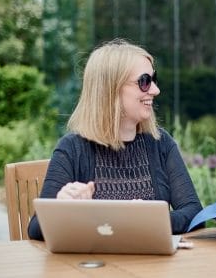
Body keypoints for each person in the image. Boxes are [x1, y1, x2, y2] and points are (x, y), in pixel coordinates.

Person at [28, 39, 202, 240]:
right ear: (111, 89)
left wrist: (152, 219)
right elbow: (35, 228)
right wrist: (61, 208)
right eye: (144, 81)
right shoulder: (72, 149)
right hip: (93, 268)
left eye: (154, 79)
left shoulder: (161, 143)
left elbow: (194, 213)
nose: (155, 90)